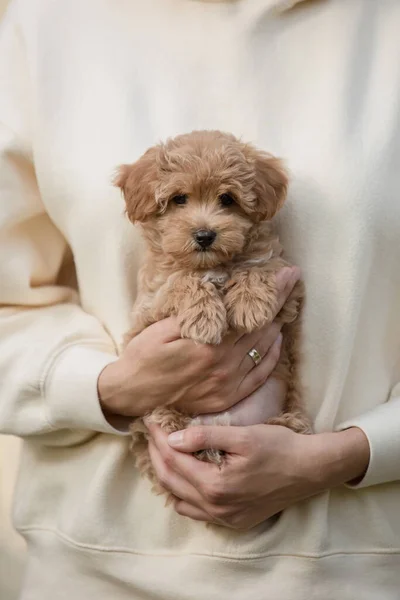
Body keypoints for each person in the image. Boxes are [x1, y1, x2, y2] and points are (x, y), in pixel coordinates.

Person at [0, 0, 399, 598]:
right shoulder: (43, 20)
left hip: (350, 569)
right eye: (179, 201)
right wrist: (107, 387)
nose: (204, 222)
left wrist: (352, 454)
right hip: (94, 569)